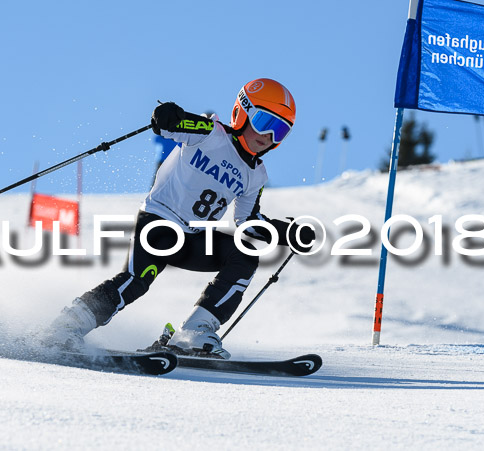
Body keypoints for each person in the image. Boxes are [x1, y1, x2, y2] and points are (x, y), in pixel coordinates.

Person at [46, 78, 315, 358]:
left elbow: (247, 221)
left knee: (245, 256)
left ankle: (194, 333)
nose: (269, 136)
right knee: (137, 280)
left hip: (193, 239)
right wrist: (169, 116)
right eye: (264, 122)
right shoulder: (210, 132)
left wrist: (287, 232)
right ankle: (66, 326)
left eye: (280, 130)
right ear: (243, 111)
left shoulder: (256, 174)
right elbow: (173, 124)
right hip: (159, 222)